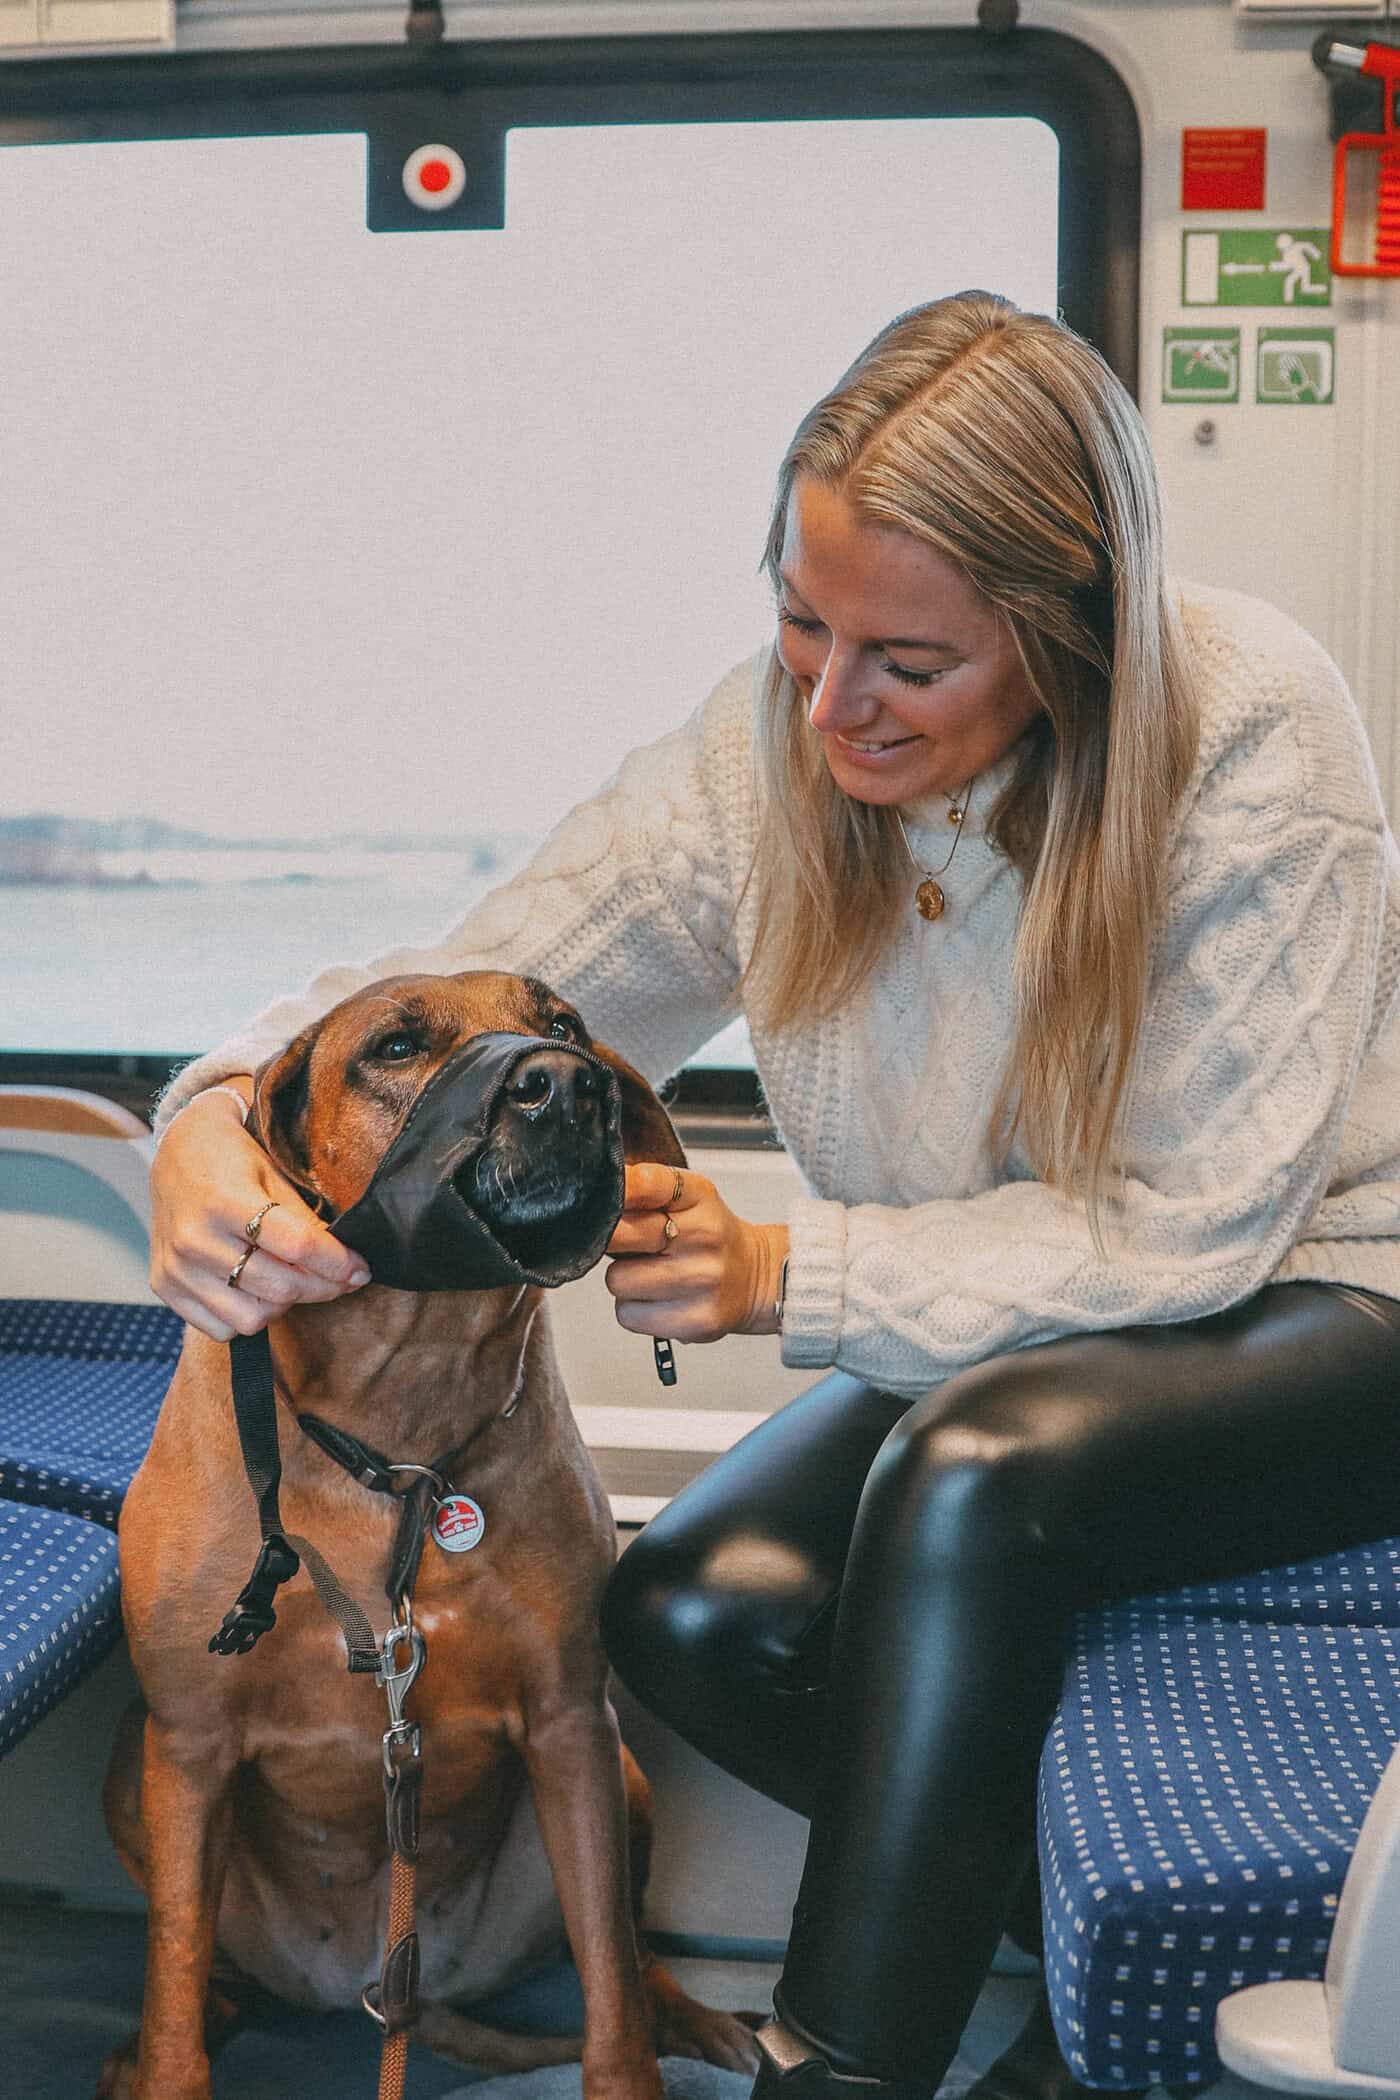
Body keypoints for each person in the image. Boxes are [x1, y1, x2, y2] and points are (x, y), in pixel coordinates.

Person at [150, 291, 1400, 2100]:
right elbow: (475, 979)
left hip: (1319, 1299)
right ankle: (1082, 1963)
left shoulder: (1253, 730)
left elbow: (1187, 1231)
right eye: (801, 625)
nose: (831, 702)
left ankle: (839, 2075)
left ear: (1071, 638)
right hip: (1017, 1327)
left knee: (979, 1479)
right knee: (699, 1609)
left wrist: (767, 1274)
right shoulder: (771, 757)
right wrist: (204, 1109)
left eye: (907, 658)